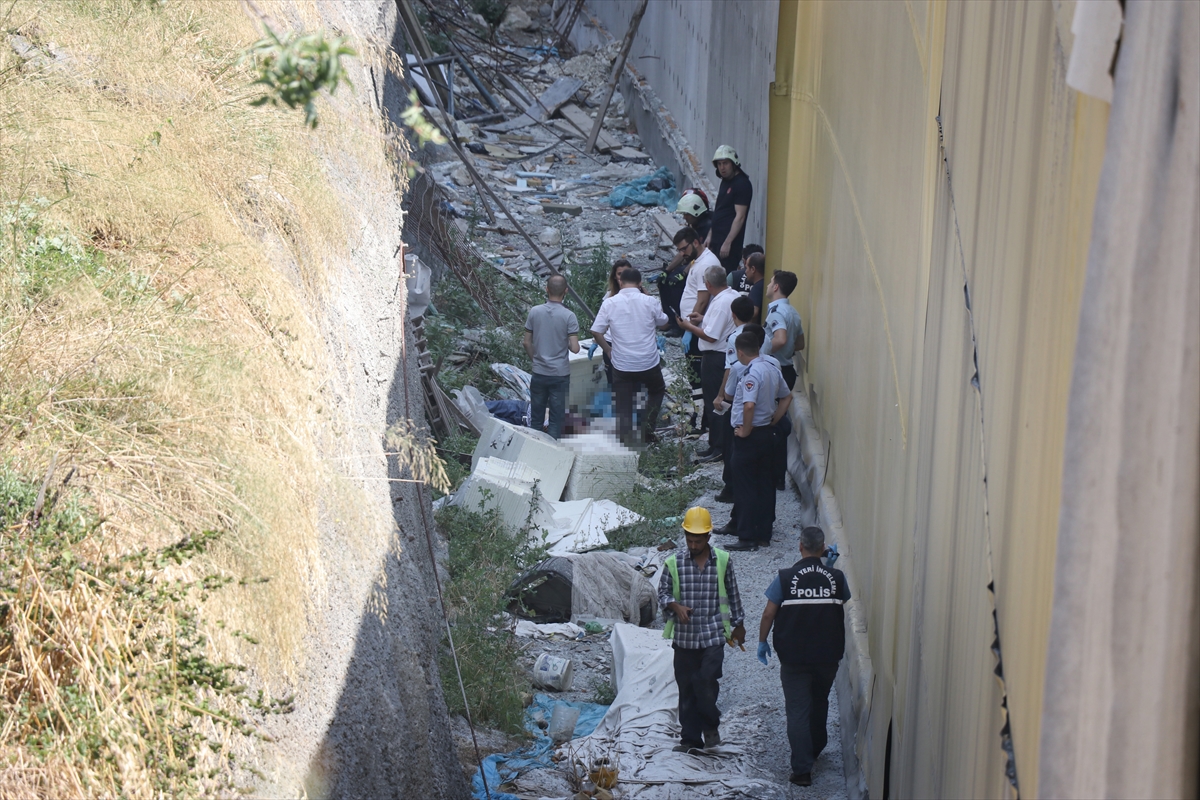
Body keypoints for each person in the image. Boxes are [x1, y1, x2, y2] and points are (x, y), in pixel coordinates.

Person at [756, 526, 851, 787]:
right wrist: (829, 568)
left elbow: (768, 614)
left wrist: (762, 641)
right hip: (827, 657)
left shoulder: (785, 578)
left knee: (798, 710)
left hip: (795, 658)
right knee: (819, 701)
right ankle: (816, 747)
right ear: (822, 549)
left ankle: (802, 770)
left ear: (800, 546)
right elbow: (843, 599)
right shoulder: (837, 578)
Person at [658, 506, 746, 753]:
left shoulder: (723, 561)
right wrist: (675, 606)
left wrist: (739, 624)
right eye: (689, 539)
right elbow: (662, 594)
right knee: (686, 689)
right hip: (685, 640)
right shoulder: (673, 563)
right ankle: (690, 739)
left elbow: (733, 593)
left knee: (705, 682)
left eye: (698, 540)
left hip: (712, 635)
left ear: (708, 537)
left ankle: (710, 724)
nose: (693, 545)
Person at [725, 330, 792, 550]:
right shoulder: (772, 367)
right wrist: (774, 421)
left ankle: (746, 536)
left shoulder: (751, 373)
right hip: (767, 434)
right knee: (765, 484)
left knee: (745, 486)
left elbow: (749, 405)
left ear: (740, 352)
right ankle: (764, 532)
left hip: (751, 436)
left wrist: (745, 429)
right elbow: (787, 396)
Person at [589, 268, 669, 446]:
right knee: (657, 390)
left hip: (623, 364)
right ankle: (647, 430)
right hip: (648, 362)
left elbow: (596, 330)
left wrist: (608, 350)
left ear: (620, 282)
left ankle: (625, 442)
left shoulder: (610, 303)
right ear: (640, 283)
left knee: (623, 402)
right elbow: (664, 322)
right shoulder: (650, 301)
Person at [675, 266, 737, 463]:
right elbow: (721, 323)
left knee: (715, 403)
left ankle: (718, 447)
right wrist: (703, 319)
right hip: (722, 354)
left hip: (716, 356)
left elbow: (711, 336)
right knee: (717, 402)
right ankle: (715, 444)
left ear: (708, 285)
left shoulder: (720, 303)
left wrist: (689, 327)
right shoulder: (730, 295)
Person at [674, 227, 723, 432]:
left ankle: (700, 420)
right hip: (694, 327)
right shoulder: (697, 261)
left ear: (696, 242)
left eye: (683, 249)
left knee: (697, 377)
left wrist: (690, 328)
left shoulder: (707, 264)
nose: (682, 254)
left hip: (698, 329)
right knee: (694, 376)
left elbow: (702, 301)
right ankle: (699, 416)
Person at [523, 274, 580, 439]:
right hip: (559, 375)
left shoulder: (535, 312)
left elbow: (526, 343)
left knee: (536, 419)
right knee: (555, 420)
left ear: (546, 289)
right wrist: (565, 341)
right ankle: (550, 452)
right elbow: (575, 348)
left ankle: (532, 448)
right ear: (566, 291)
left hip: (539, 373)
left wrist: (536, 360)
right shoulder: (569, 316)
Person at [712, 298, 758, 504]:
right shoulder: (760, 333)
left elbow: (732, 368)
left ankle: (730, 486)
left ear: (733, 315)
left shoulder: (736, 339)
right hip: (756, 395)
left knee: (732, 443)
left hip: (739, 396)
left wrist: (722, 395)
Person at [706, 145, 753, 273]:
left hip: (728, 245)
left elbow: (740, 216)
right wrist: (710, 234)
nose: (722, 167)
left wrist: (727, 242)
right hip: (717, 239)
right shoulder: (726, 180)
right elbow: (719, 209)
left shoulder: (742, 184)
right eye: (719, 164)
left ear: (733, 163)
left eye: (725, 163)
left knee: (723, 278)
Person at [761, 269, 805, 391]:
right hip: (787, 370)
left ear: (775, 287)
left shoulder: (777, 312)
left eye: (770, 283)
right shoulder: (793, 312)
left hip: (774, 370)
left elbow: (781, 340)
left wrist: (760, 353)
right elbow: (800, 344)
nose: (768, 286)